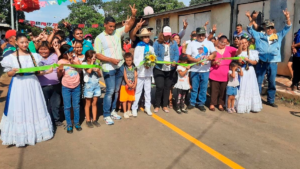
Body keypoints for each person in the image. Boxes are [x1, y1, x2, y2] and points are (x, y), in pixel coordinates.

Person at [0, 33, 53, 147]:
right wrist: (13, 71)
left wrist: (47, 72)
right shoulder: (10, 57)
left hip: (33, 83)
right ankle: (20, 135)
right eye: (22, 42)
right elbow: (9, 74)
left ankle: (36, 133)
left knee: (34, 105)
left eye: (26, 42)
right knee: (20, 106)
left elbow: (37, 72)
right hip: (19, 85)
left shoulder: (34, 56)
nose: (24, 44)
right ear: (17, 43)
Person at [95, 4, 137, 125]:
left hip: (120, 67)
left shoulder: (117, 33)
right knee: (110, 91)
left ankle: (113, 111)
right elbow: (97, 54)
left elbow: (128, 26)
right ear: (105, 25)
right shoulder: (99, 38)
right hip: (108, 68)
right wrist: (110, 60)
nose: (112, 29)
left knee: (117, 90)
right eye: (110, 26)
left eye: (113, 26)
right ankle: (106, 114)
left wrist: (133, 16)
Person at [247, 9, 292, 107]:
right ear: (264, 27)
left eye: (271, 27)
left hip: (273, 62)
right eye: (267, 27)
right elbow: (249, 29)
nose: (269, 29)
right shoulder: (259, 35)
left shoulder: (277, 36)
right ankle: (256, 100)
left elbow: (287, 27)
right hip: (261, 62)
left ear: (273, 28)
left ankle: (270, 100)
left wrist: (287, 17)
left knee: (272, 82)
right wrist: (252, 19)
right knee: (258, 81)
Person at [186, 27, 216, 112]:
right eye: (200, 35)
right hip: (195, 70)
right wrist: (195, 60)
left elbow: (214, 53)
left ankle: (201, 103)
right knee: (194, 88)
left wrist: (212, 56)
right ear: (197, 35)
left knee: (203, 88)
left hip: (205, 70)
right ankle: (192, 102)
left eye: (203, 35)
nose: (201, 37)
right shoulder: (192, 44)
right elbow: (188, 56)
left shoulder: (209, 43)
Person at [209, 35, 242, 111]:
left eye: (225, 43)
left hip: (225, 74)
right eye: (221, 42)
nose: (223, 44)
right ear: (218, 41)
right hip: (214, 72)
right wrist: (214, 62)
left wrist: (240, 45)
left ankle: (221, 104)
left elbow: (238, 52)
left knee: (223, 90)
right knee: (214, 90)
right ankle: (212, 104)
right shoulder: (213, 50)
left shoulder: (229, 48)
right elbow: (210, 61)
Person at [153, 26, 179, 113]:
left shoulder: (173, 43)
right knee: (160, 86)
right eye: (165, 35)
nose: (167, 37)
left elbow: (176, 54)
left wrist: (174, 60)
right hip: (159, 68)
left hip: (170, 69)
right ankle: (157, 105)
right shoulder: (157, 43)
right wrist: (163, 61)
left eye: (168, 35)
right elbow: (154, 55)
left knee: (167, 87)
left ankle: (164, 105)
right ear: (162, 34)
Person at [57, 44, 82, 133]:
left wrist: (72, 62)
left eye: (72, 52)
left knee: (76, 106)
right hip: (66, 86)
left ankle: (76, 123)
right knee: (67, 107)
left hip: (77, 85)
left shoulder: (75, 58)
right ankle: (69, 124)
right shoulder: (60, 61)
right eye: (70, 53)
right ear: (64, 54)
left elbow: (80, 69)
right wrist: (59, 71)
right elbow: (59, 76)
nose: (72, 54)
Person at [37, 41, 63, 127]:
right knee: (44, 104)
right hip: (42, 86)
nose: (43, 51)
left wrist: (56, 49)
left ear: (49, 49)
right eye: (41, 49)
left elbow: (61, 59)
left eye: (45, 49)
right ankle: (46, 121)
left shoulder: (54, 56)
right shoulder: (36, 58)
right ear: (38, 49)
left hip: (55, 84)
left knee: (56, 104)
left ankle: (56, 120)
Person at [235, 37, 262, 113]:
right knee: (242, 86)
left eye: (245, 42)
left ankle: (251, 105)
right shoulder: (238, 52)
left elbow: (255, 62)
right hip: (241, 70)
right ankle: (240, 105)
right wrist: (239, 61)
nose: (244, 44)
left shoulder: (253, 52)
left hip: (250, 71)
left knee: (250, 86)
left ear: (248, 43)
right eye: (242, 43)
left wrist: (248, 60)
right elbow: (236, 61)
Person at [132, 28, 154, 117]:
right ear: (142, 38)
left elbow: (153, 58)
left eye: (148, 37)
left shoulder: (151, 48)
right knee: (138, 91)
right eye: (145, 37)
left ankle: (147, 107)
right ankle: (134, 107)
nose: (147, 39)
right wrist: (142, 65)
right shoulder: (138, 47)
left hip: (148, 72)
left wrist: (150, 64)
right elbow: (136, 60)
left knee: (148, 91)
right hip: (141, 72)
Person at [82, 50, 102, 128]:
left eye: (95, 57)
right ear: (88, 58)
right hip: (88, 85)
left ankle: (94, 119)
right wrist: (92, 63)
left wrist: (98, 71)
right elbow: (89, 71)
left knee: (94, 103)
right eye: (93, 57)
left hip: (96, 85)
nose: (95, 59)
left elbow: (100, 75)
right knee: (88, 104)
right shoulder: (84, 64)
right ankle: (88, 120)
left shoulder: (96, 63)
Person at [120, 53, 137, 118]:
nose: (128, 62)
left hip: (132, 86)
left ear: (132, 60)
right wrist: (128, 83)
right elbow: (125, 77)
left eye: (130, 60)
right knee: (124, 100)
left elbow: (135, 76)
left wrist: (135, 84)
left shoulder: (134, 67)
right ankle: (124, 112)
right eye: (127, 60)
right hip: (124, 85)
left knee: (130, 99)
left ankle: (129, 110)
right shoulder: (124, 67)